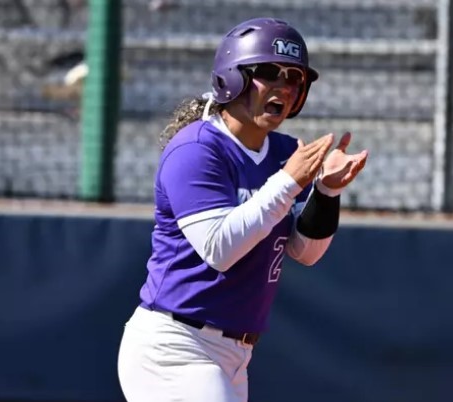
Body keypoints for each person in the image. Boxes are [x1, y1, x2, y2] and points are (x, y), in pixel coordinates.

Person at [116, 17, 369, 402]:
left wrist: (326, 191)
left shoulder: (284, 152)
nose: (284, 86)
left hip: (235, 354)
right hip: (175, 348)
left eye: (294, 78)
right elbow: (219, 250)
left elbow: (307, 251)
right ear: (231, 78)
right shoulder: (197, 149)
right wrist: (287, 182)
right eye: (269, 72)